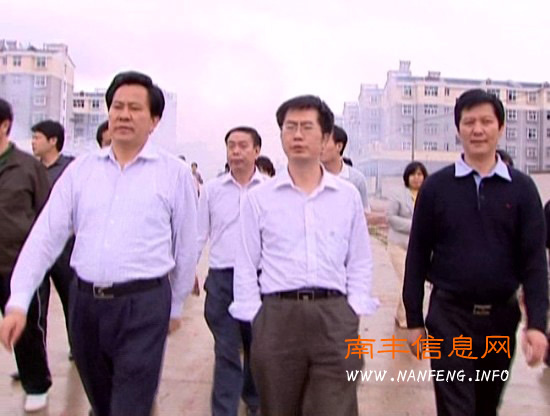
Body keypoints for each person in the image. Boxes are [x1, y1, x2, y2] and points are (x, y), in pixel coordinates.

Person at [0, 71, 199, 416]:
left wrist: (176, 305)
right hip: (86, 305)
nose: (123, 115)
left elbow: (186, 245)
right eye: (117, 107)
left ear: (154, 120)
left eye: (134, 108)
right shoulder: (81, 171)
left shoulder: (173, 174)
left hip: (143, 304)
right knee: (103, 402)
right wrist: (18, 301)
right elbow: (45, 236)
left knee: (130, 404)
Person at [403, 89, 548, 416]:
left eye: (486, 121)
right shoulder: (436, 188)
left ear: (500, 127)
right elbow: (417, 256)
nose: (477, 130)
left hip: (501, 318)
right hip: (449, 317)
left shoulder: (522, 189)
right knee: (457, 408)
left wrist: (537, 324)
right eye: (469, 122)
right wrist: (414, 321)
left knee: (486, 407)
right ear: (458, 129)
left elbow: (535, 263)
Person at [229, 95, 377, 416]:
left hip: (334, 316)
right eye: (290, 127)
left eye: (307, 127)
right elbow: (246, 263)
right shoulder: (260, 198)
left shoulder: (347, 196)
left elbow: (360, 259)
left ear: (325, 137)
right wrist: (256, 316)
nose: (297, 135)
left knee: (335, 408)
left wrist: (352, 309)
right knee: (278, 408)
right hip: (277, 317)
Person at [197, 126, 263, 416]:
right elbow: (198, 233)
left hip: (260, 280)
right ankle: (224, 410)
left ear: (256, 151)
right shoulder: (212, 190)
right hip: (222, 280)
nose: (236, 151)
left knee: (256, 347)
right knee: (226, 349)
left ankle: (254, 400)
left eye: (243, 146)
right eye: (231, 146)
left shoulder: (270, 190)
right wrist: (187, 273)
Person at [0, 98, 51, 412]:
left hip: (15, 264)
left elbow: (47, 215)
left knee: (26, 329)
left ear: (4, 125)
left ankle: (36, 385)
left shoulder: (27, 167)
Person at [30, 120, 75, 349]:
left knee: (72, 301)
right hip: (39, 247)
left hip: (67, 248)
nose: (33, 142)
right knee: (37, 305)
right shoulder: (30, 170)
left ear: (53, 141)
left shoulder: (72, 169)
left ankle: (78, 350)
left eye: (37, 137)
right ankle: (37, 357)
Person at [387, 161, 427, 328]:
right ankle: (406, 319)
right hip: (399, 245)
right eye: (413, 174)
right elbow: (391, 218)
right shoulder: (398, 195)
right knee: (406, 280)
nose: (416, 178)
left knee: (414, 282)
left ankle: (400, 313)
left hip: (419, 249)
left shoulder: (428, 194)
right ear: (407, 177)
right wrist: (414, 225)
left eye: (419, 174)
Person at [321, 125, 370, 216]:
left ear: (339, 146)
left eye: (325, 142)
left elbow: (363, 214)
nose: (320, 147)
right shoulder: (310, 178)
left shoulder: (357, 180)